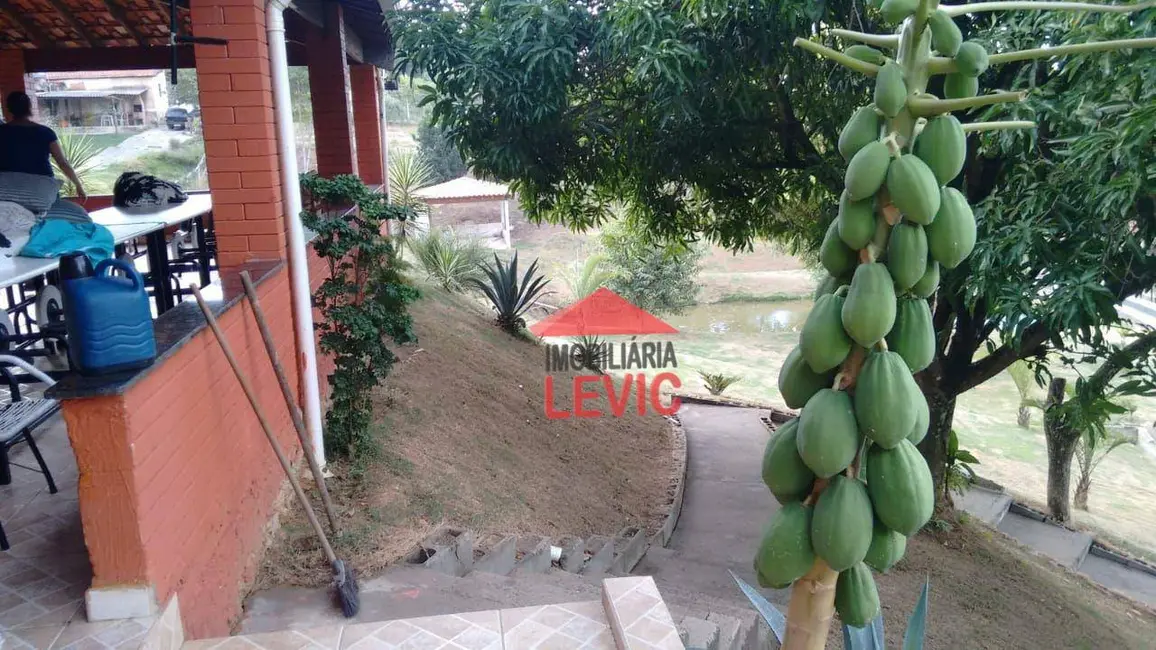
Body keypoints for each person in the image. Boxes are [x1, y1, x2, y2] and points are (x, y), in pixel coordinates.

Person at [0, 91, 86, 201]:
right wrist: (78, 185)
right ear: (29, 107)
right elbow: (62, 163)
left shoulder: (2, 132)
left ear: (8, 108)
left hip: (9, 190)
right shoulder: (45, 132)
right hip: (43, 190)